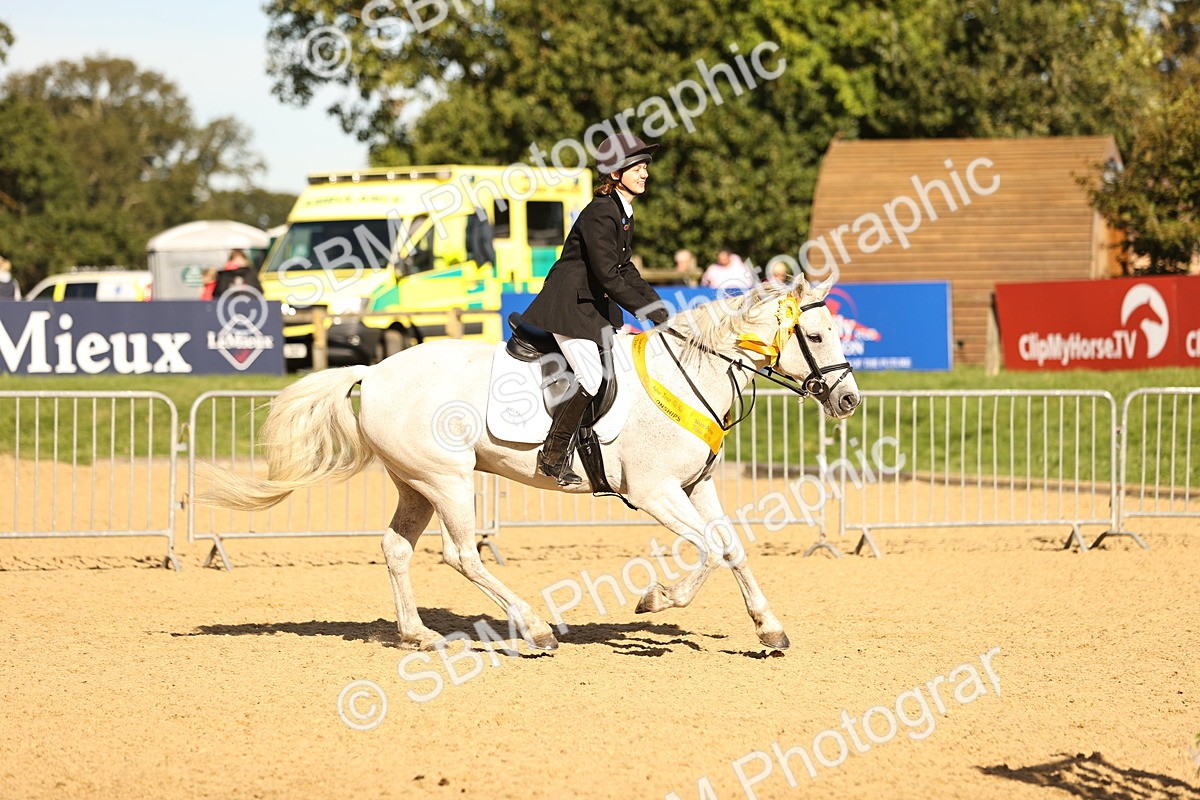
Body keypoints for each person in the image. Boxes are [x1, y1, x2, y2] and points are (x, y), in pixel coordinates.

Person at [515, 133, 669, 485]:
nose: (645, 173)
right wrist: (650, 314)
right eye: (637, 167)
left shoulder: (621, 211)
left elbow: (626, 269)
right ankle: (552, 456)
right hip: (569, 306)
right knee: (591, 377)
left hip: (588, 307)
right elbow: (608, 276)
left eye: (645, 167)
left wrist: (659, 308)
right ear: (616, 173)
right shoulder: (601, 212)